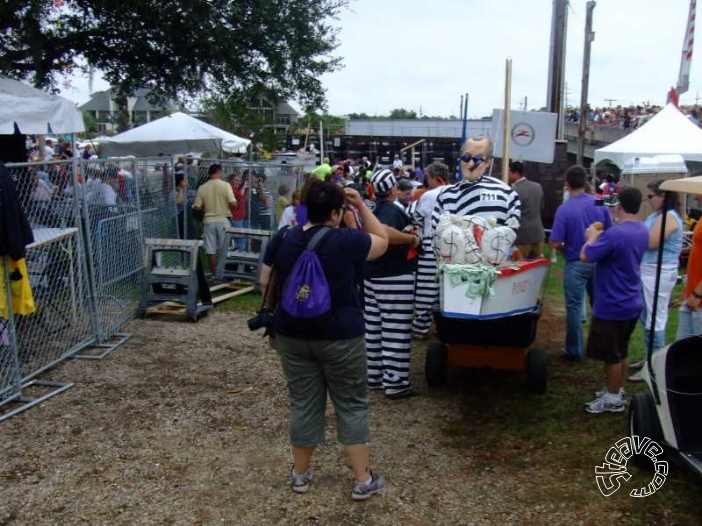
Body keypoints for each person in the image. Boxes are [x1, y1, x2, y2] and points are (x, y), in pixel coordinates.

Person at [260, 181, 389, 500]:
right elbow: (383, 241)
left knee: (303, 403)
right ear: (335, 211)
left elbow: (265, 280)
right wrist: (360, 205)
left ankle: (300, 475)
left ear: (302, 206)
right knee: (351, 403)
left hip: (292, 332)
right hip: (340, 334)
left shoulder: (284, 238)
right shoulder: (347, 240)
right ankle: (362, 479)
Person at [581, 187, 649, 414]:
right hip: (630, 299)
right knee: (621, 349)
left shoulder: (616, 234)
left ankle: (612, 399)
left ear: (619, 205)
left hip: (612, 302)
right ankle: (615, 390)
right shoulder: (642, 229)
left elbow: (586, 255)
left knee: (610, 355)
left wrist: (591, 237)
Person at [364, 169, 421, 399]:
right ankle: (396, 383)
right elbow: (385, 232)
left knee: (375, 328)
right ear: (393, 189)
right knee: (395, 330)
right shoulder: (393, 209)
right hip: (394, 276)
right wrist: (412, 239)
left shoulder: (371, 209)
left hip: (372, 275)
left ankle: (375, 376)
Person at [549, 165, 613, 361]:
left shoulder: (565, 209)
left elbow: (555, 241)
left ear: (567, 185)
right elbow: (610, 232)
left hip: (576, 261)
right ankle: (601, 347)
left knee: (575, 308)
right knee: (600, 306)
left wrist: (565, 249)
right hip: (599, 261)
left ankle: (574, 350)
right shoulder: (599, 203)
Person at [629, 181, 683, 381]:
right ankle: (650, 357)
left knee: (655, 317)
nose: (648, 201)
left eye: (651, 196)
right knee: (647, 315)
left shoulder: (669, 217)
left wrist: (633, 236)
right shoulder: (657, 216)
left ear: (663, 196)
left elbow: (652, 242)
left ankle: (655, 367)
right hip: (649, 270)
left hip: (658, 271)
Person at [430, 136, 521, 240]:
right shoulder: (446, 195)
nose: (471, 163)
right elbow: (436, 233)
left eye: (478, 159)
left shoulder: (507, 194)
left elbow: (511, 233)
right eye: (466, 158)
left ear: (488, 162)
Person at [409, 162, 452, 340]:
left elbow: (416, 217)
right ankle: (447, 327)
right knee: (448, 288)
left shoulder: (429, 196)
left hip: (431, 244)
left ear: (434, 177)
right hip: (454, 245)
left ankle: (420, 327)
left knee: (427, 288)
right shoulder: (457, 192)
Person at [193, 164, 237, 275]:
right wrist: (229, 210)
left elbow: (197, 207)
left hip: (208, 221)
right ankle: (224, 273)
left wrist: (205, 209)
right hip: (223, 220)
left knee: (210, 250)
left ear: (209, 174)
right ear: (219, 173)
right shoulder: (225, 185)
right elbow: (233, 203)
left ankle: (215, 274)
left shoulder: (202, 187)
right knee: (225, 248)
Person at [677, 191, 702, 339]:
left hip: (698, 297)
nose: (693, 196)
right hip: (693, 294)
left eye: (696, 191)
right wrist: (689, 287)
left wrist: (697, 294)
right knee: (683, 349)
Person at [508, 161, 545, 259]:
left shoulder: (514, 192)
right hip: (538, 234)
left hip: (522, 238)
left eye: (509, 173)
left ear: (515, 173)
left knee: (521, 269)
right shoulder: (538, 187)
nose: (507, 175)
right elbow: (541, 207)